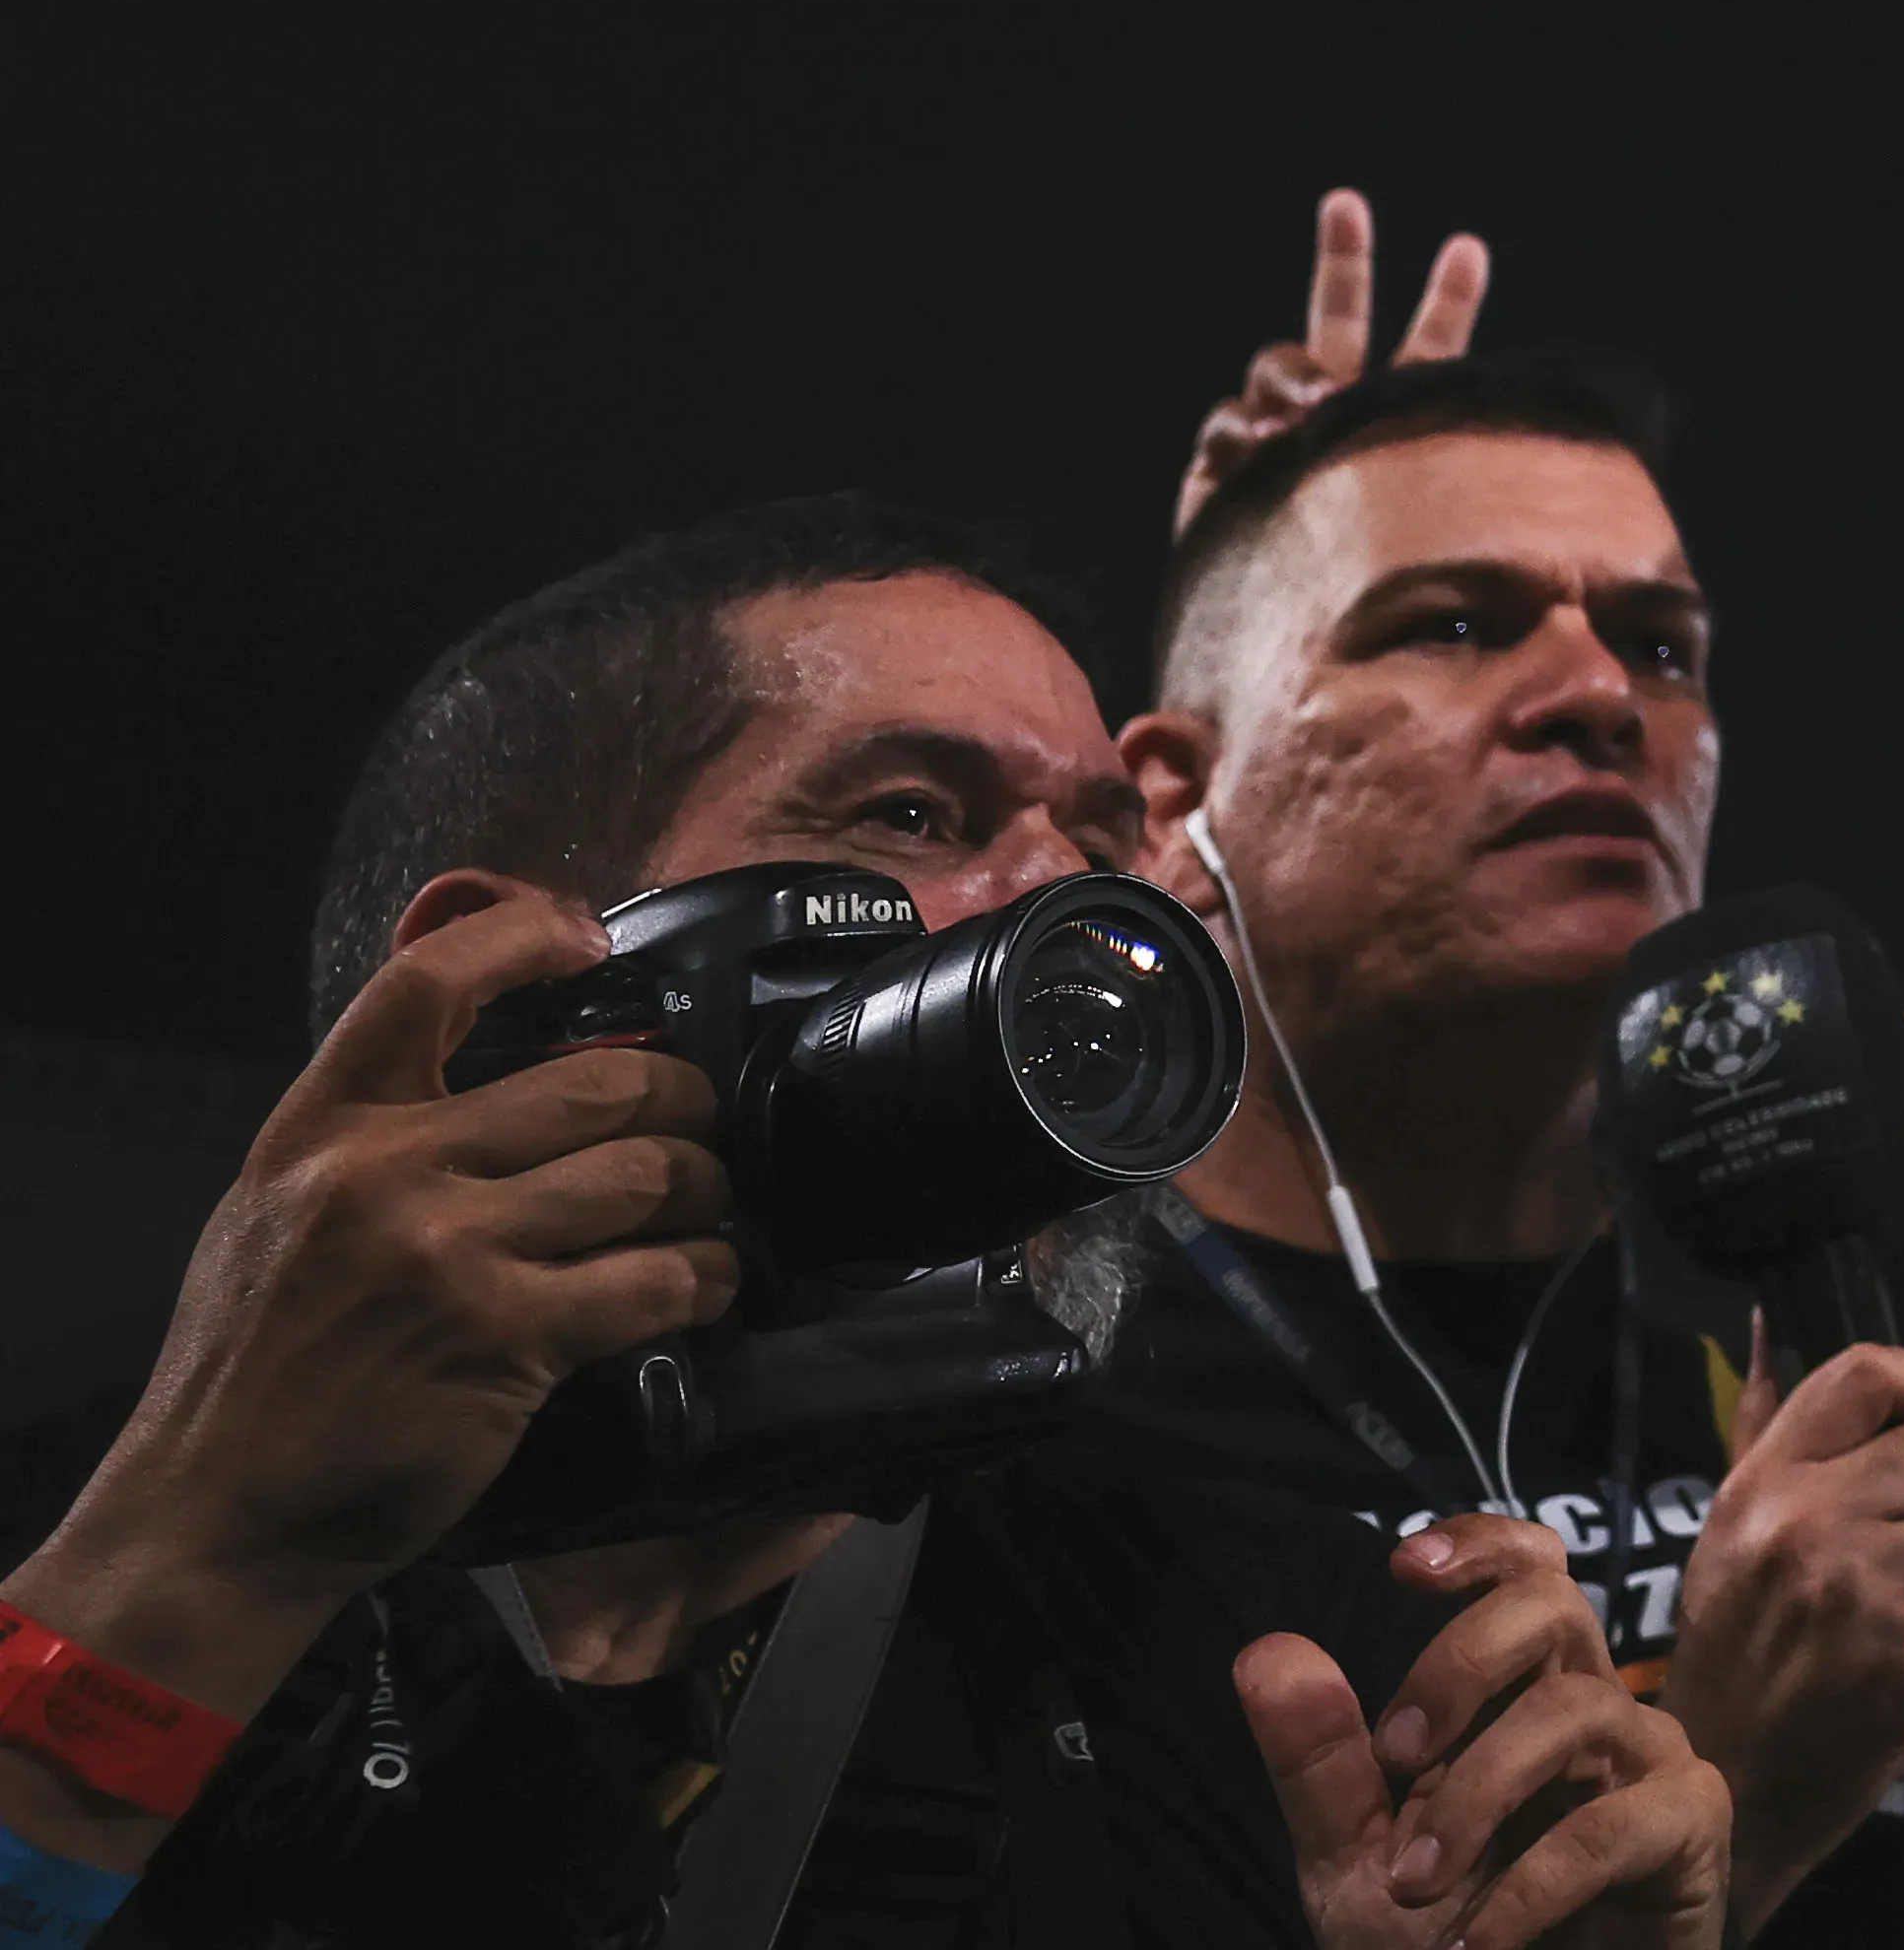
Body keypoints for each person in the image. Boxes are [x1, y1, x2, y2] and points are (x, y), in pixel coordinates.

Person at [0, 502, 1719, 1950]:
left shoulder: (1305, 1678)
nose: (1081, 911)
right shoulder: (89, 1539)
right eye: (911, 813)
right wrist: (196, 1567)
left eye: (1108, 843)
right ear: (493, 982)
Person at [1112, 255, 1904, 1923]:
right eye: (1453, 623)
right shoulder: (1037, 1406)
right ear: (1172, 800)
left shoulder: (1854, 1311)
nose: (1602, 694)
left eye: (1660, 642)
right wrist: (1747, 1789)